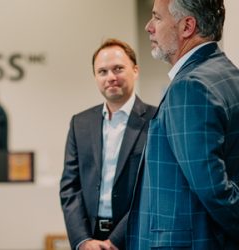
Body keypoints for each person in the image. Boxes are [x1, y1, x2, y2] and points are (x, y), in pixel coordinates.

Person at [126, 0, 239, 249]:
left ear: (187, 26)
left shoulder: (191, 87)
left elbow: (214, 190)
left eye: (157, 17)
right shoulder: (228, 75)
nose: (148, 27)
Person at [60, 38, 157, 250]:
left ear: (135, 70)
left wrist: (116, 240)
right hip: (91, 237)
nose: (110, 77)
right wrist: (82, 241)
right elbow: (70, 187)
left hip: (136, 236)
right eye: (102, 71)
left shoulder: (156, 120)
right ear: (95, 77)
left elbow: (153, 188)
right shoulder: (80, 123)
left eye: (118, 69)